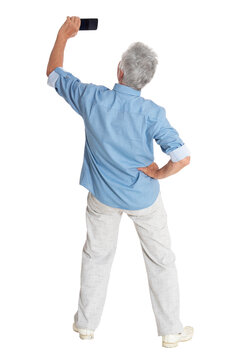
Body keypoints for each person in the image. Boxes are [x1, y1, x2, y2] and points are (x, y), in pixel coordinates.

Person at [46, 16, 193, 347]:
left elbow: (53, 75)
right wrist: (158, 173)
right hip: (143, 199)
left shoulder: (93, 99)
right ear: (146, 79)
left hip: (102, 197)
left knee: (96, 255)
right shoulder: (152, 113)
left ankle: (86, 325)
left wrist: (63, 35)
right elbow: (182, 157)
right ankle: (171, 331)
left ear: (119, 71)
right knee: (162, 261)